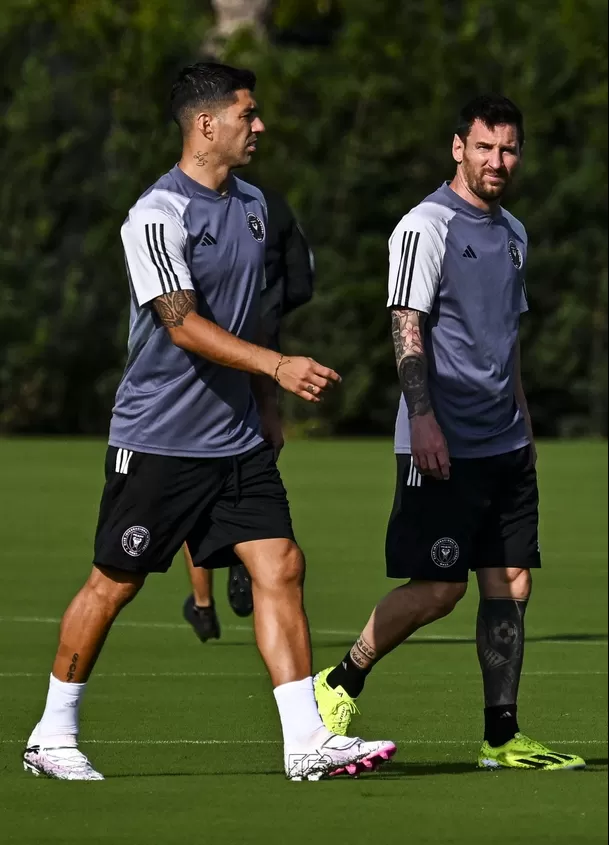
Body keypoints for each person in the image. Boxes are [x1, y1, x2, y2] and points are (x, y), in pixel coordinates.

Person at [22, 62, 395, 782]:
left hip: (237, 441)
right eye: (246, 115)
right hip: (158, 438)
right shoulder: (155, 215)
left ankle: (304, 740)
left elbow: (253, 313)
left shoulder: (255, 206)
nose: (258, 127)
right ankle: (51, 733)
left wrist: (266, 405)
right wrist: (279, 367)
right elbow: (183, 323)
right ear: (205, 125)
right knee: (115, 581)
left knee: (280, 564)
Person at [314, 94, 585, 771]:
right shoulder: (423, 226)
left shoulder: (514, 232)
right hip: (441, 442)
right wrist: (423, 418)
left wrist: (522, 423)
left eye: (509, 148)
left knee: (511, 582)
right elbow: (405, 327)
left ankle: (501, 736)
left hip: (503, 443)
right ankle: (341, 679)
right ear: (457, 147)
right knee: (440, 587)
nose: (498, 160)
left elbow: (508, 337)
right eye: (485, 147)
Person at [182, 186, 315, 639]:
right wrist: (273, 312)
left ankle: (203, 602)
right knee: (250, 465)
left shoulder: (177, 207)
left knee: (188, 493)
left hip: (199, 367)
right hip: (261, 354)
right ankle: (244, 556)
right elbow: (302, 279)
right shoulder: (273, 205)